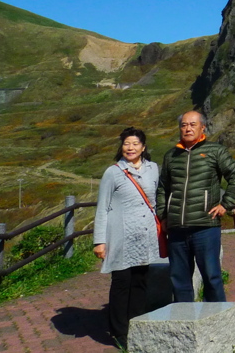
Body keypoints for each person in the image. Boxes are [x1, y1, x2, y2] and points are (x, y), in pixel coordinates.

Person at [156, 110, 235, 302]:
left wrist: (226, 204)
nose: (187, 128)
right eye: (184, 125)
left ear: (202, 127)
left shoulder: (215, 151)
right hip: (177, 228)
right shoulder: (171, 155)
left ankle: (217, 321)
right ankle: (184, 322)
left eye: (192, 124)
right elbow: (162, 188)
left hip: (206, 227)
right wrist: (163, 215)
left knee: (212, 277)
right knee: (179, 279)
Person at [93, 127, 160, 349]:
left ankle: (136, 324)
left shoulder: (153, 169)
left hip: (145, 235)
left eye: (134, 144)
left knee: (140, 280)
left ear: (143, 147)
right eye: (126, 144)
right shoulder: (112, 173)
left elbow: (158, 200)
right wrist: (99, 241)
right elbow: (102, 208)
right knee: (121, 282)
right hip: (121, 236)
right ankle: (119, 331)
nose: (130, 148)